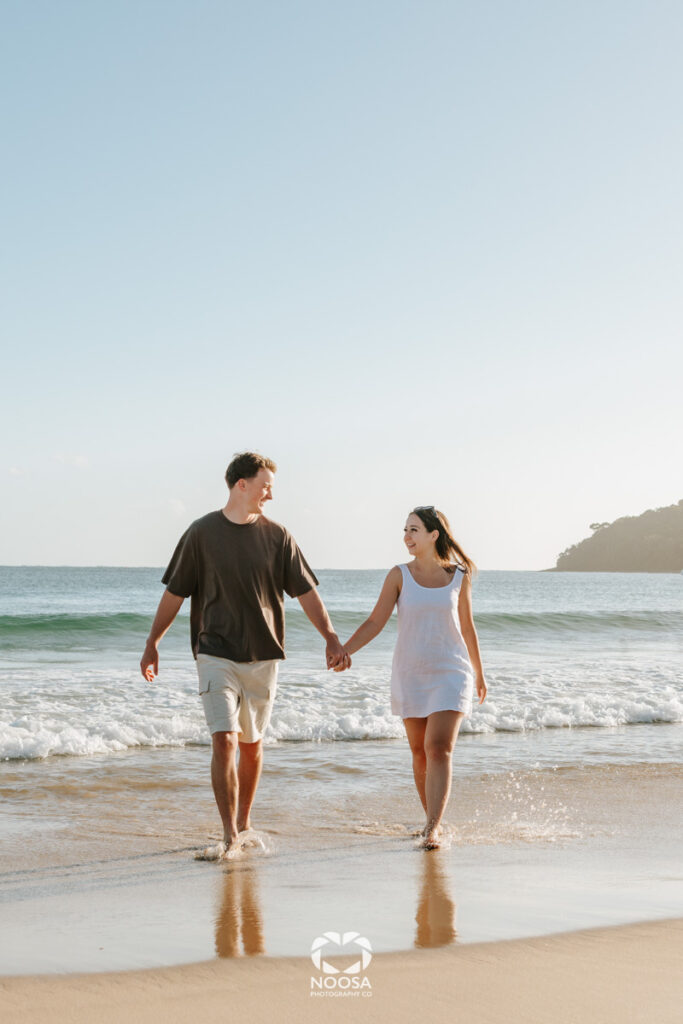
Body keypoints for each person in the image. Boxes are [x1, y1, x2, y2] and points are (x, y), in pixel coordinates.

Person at [140, 452, 349, 860]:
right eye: (265, 485)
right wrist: (153, 643)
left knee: (252, 745)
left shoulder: (278, 536)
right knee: (224, 740)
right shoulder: (200, 533)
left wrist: (331, 636)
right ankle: (228, 835)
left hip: (263, 655)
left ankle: (244, 821)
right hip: (214, 652)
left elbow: (306, 593)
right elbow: (175, 593)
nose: (269, 494)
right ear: (242, 484)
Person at [337, 506, 487, 850]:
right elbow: (375, 622)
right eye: (405, 530)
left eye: (414, 530)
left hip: (451, 672)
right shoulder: (398, 576)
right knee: (419, 753)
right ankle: (431, 821)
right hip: (411, 673)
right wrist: (346, 649)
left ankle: (432, 828)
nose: (407, 537)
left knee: (438, 748)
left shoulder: (459, 576)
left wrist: (479, 672)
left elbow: (467, 626)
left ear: (434, 534)